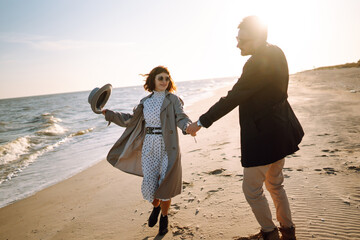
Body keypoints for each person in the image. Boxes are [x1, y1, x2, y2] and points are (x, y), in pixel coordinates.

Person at [186, 16, 304, 240]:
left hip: (263, 137)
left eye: (242, 39)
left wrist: (201, 122)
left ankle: (269, 234)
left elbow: (234, 97)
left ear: (256, 38)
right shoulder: (277, 52)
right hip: (282, 132)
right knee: (275, 184)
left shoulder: (257, 62)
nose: (237, 44)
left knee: (251, 190)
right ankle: (288, 232)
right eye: (236, 38)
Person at [102, 66, 193, 236]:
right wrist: (110, 114)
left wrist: (187, 127)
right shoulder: (145, 102)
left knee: (166, 183)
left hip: (168, 146)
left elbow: (180, 117)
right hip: (149, 146)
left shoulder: (173, 100)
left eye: (167, 78)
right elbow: (129, 120)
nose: (164, 81)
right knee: (150, 186)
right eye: (161, 78)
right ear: (153, 80)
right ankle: (156, 207)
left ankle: (164, 218)